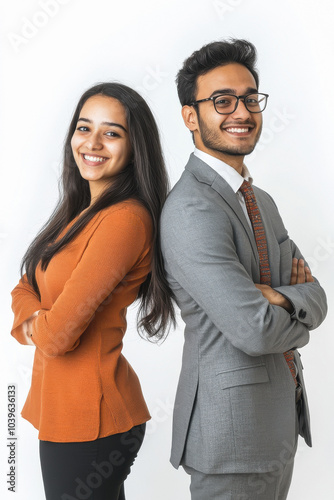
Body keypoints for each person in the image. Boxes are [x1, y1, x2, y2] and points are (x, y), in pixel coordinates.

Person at [160, 39, 327, 499]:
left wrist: (283, 297)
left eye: (250, 98)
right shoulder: (192, 209)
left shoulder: (261, 200)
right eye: (222, 100)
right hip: (230, 440)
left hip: (275, 426)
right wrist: (301, 321)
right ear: (190, 116)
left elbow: (316, 292)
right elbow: (254, 331)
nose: (242, 111)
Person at [10, 82, 174, 500]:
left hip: (91, 420)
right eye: (84, 128)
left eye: (112, 132)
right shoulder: (80, 213)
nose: (92, 142)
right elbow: (25, 284)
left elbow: (58, 336)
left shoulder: (124, 220)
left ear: (135, 146)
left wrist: (37, 324)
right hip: (68, 412)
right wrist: (36, 319)